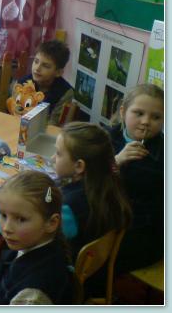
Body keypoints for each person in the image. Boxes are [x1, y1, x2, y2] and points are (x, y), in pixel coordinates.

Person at [0, 171, 74, 305]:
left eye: (21, 219)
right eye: (3, 215)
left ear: (51, 223)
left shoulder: (33, 295)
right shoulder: (27, 244)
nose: (6, 228)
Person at [51, 122, 132, 257]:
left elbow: (40, 238)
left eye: (58, 153)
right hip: (96, 261)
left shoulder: (67, 207)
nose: (53, 158)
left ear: (79, 166)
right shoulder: (111, 185)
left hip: (66, 264)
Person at [107, 84, 164, 273]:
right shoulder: (105, 138)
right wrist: (116, 161)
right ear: (123, 112)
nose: (146, 122)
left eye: (156, 117)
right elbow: (84, 177)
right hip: (105, 218)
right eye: (139, 113)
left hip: (142, 231)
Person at [13, 40, 73, 126]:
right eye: (36, 61)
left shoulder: (65, 92)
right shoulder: (22, 84)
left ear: (58, 72)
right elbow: (13, 112)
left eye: (46, 66)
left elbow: (54, 125)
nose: (37, 68)